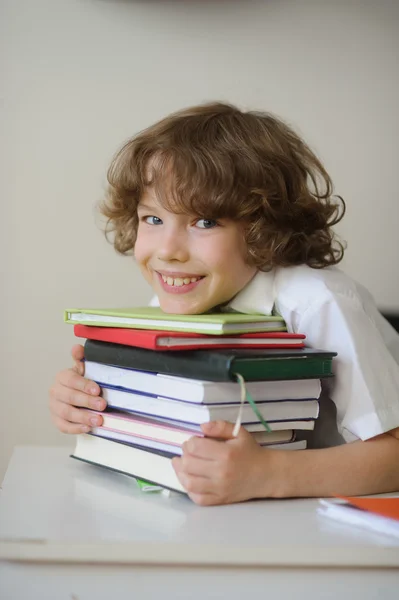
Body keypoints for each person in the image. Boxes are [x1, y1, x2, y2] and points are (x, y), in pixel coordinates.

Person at [49, 102, 399, 506]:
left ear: (263, 228)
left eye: (205, 222)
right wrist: (90, 405)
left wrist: (268, 475)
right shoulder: (181, 297)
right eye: (153, 219)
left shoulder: (320, 302)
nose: (168, 251)